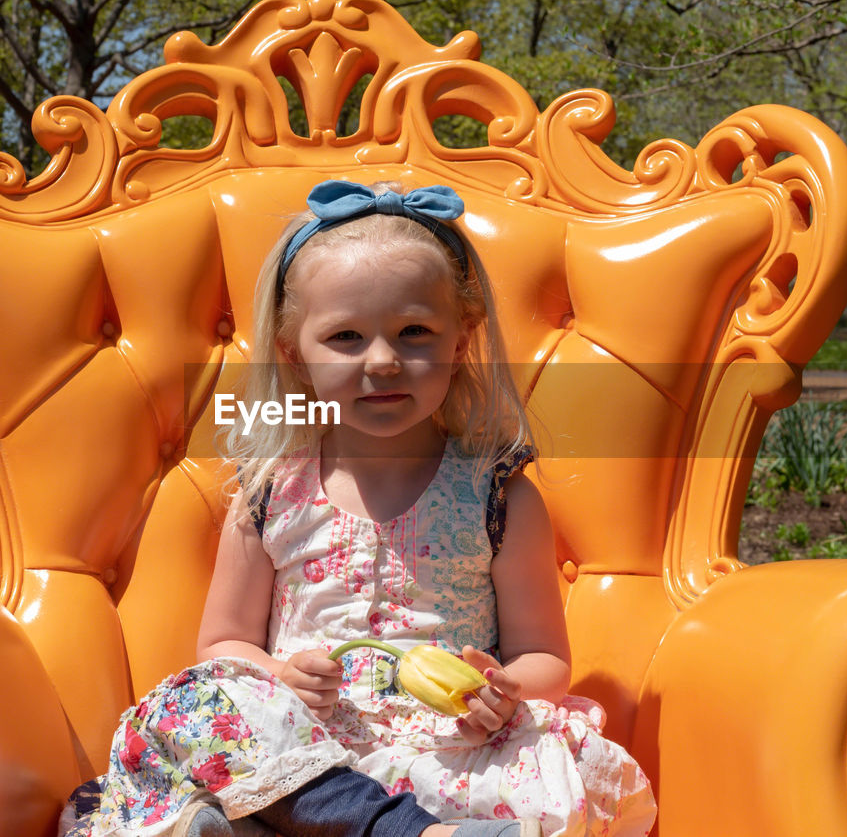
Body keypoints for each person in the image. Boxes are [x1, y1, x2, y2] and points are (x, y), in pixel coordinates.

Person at [60, 181, 657, 837]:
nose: (382, 361)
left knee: (561, 787)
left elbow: (544, 655)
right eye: (345, 336)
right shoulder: (268, 493)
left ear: (460, 343)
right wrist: (278, 674)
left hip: (442, 751)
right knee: (197, 705)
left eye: (415, 333)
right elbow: (223, 644)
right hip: (303, 752)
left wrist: (503, 690)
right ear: (295, 356)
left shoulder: (497, 496)